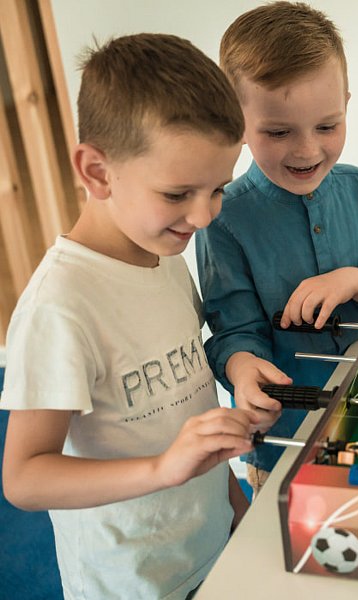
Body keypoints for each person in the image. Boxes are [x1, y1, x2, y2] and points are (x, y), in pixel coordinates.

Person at [0, 34, 252, 599]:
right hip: (133, 584)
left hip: (211, 546)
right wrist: (162, 468)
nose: (203, 216)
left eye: (218, 189)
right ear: (97, 172)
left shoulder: (167, 258)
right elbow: (24, 476)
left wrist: (236, 510)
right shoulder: (59, 307)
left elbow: (191, 414)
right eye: (178, 194)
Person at [196, 1, 358, 495]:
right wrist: (242, 369)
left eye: (327, 126)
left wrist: (356, 280)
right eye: (278, 131)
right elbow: (233, 331)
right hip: (285, 440)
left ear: (347, 103)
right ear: (236, 121)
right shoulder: (223, 218)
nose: (307, 150)